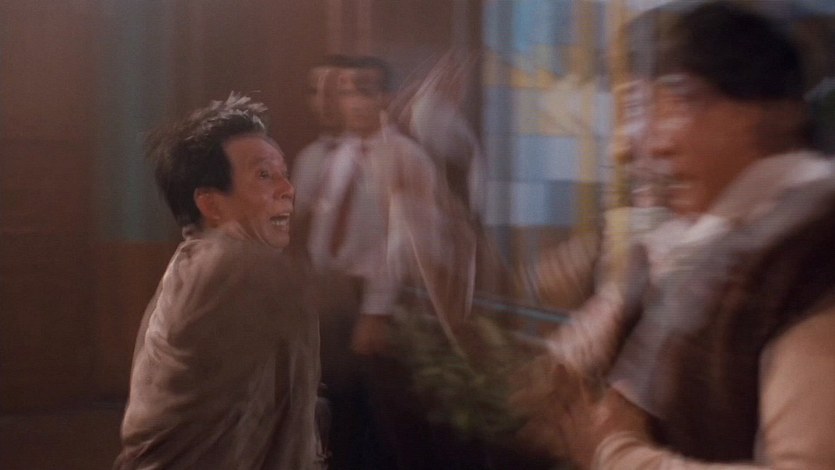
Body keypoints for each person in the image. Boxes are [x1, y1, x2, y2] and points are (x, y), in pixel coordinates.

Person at [513, 1, 835, 468]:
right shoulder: (692, 241)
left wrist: (616, 455)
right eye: (633, 110)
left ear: (766, 112)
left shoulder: (807, 251)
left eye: (671, 103)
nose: (629, 145)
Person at [114, 94, 324, 469]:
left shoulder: (197, 263)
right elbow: (339, 308)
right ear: (212, 205)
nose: (287, 189)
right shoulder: (233, 265)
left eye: (283, 174)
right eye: (264, 175)